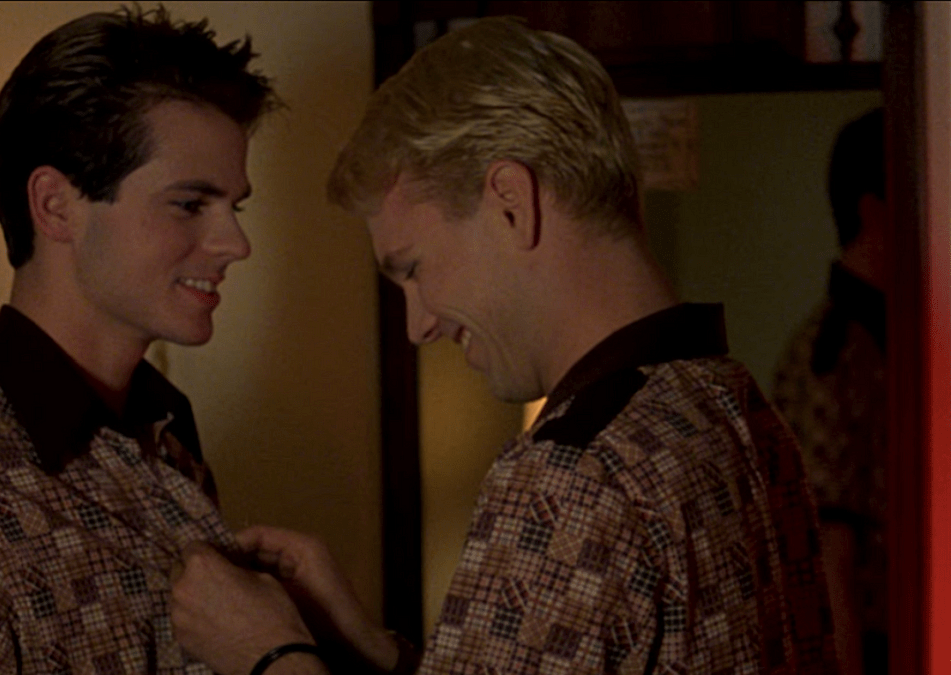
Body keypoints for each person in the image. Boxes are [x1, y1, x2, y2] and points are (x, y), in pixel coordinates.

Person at [170, 17, 839, 675]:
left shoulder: (571, 476)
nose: (419, 324)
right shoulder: (737, 406)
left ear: (512, 203)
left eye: (414, 268)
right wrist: (369, 649)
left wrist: (270, 656)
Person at [0, 6, 277, 672]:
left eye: (232, 208)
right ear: (56, 205)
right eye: (190, 204)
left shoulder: (169, 440)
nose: (234, 243)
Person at [773, 108, 887, 675]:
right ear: (874, 210)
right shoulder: (832, 355)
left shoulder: (879, 340)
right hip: (871, 647)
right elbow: (826, 552)